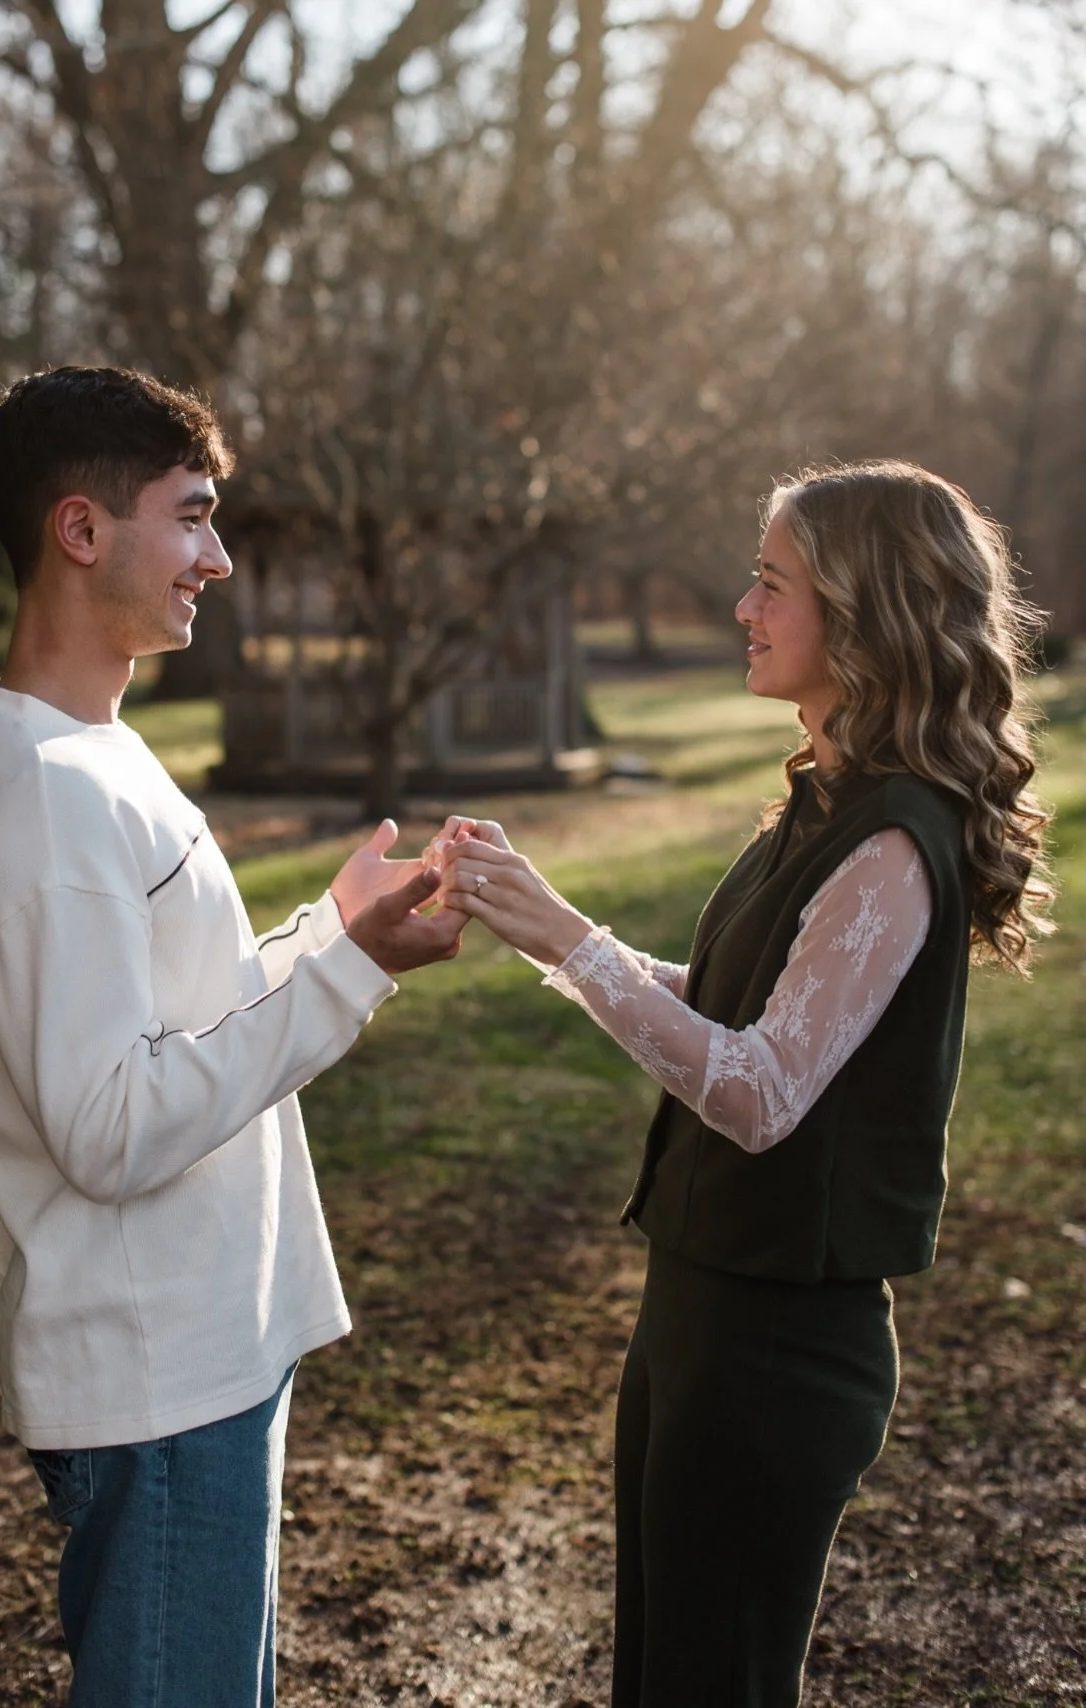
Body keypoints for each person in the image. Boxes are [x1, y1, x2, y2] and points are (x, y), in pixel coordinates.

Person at [435, 460, 1053, 1708]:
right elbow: (740, 1009)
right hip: (701, 1314)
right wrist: (556, 921)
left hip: (778, 1349)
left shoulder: (893, 841)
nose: (742, 608)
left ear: (863, 615)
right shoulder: (821, 805)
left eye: (771, 584)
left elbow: (762, 1091)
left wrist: (570, 942)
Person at [0, 365, 466, 1708]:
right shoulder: (42, 795)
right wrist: (346, 982)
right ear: (80, 530)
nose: (217, 558)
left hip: (208, 1357)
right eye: (192, 517)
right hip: (154, 1383)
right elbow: (112, 1125)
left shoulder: (95, 749)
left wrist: (329, 938)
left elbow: (179, 1010)